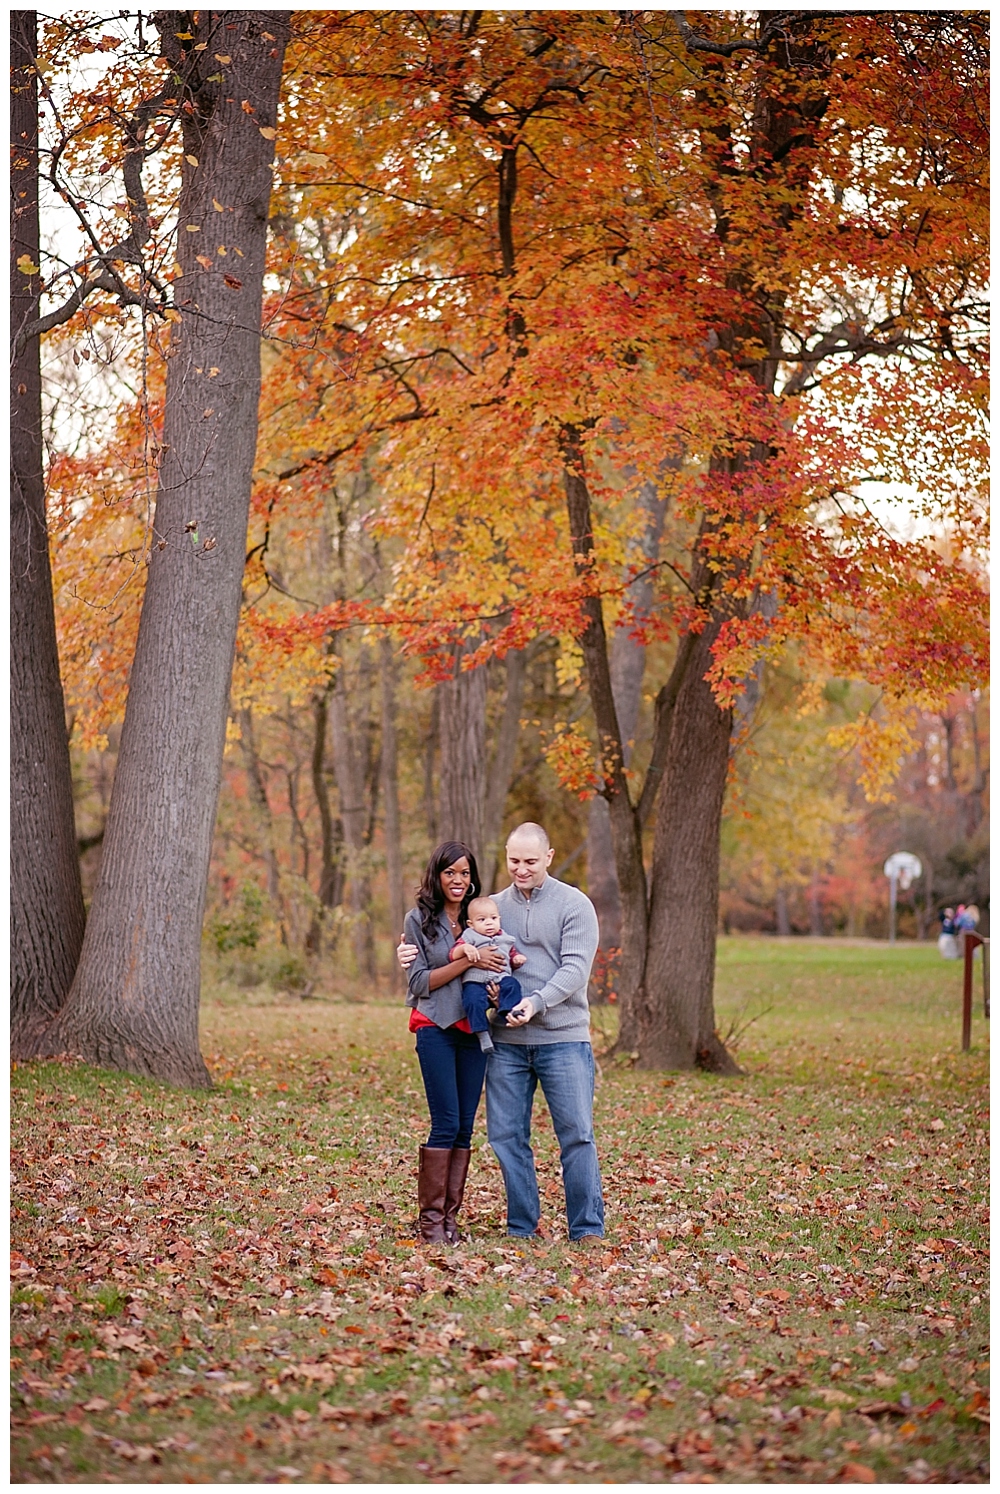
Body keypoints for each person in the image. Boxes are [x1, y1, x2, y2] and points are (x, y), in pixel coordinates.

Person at [399, 822, 604, 1246]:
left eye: (531, 861)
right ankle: (522, 1227)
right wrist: (408, 951)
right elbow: (453, 943)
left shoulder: (574, 904)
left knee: (577, 1134)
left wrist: (536, 1002)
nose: (522, 869)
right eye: (514, 861)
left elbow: (575, 969)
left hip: (561, 1037)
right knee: (507, 1138)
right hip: (504, 1042)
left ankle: (586, 1228)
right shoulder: (490, 905)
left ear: (548, 857)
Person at [401, 841, 506, 1244]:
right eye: (450, 873)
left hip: (474, 1031)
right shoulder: (418, 920)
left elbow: (501, 962)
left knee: (464, 1127)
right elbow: (420, 982)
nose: (458, 880)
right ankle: (430, 1224)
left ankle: (449, 1220)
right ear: (437, 875)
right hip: (435, 1028)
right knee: (445, 1122)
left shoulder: (480, 917)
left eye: (465, 873)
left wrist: (499, 989)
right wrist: (466, 960)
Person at [449, 895, 526, 1054]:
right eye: (482, 920)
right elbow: (452, 954)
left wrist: (516, 959)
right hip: (475, 981)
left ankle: (507, 1012)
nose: (489, 923)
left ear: (499, 919)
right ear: (471, 924)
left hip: (501, 978)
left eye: (493, 918)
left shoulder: (505, 937)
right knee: (472, 1001)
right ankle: (482, 1033)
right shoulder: (469, 936)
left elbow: (510, 954)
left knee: (513, 986)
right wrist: (465, 949)